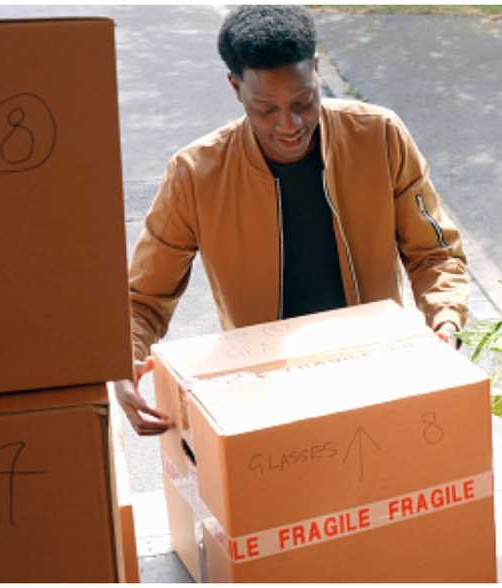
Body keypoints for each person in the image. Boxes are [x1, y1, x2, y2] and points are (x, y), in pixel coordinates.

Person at [114, 5, 468, 435]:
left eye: (304, 101)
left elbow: (434, 253)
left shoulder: (379, 136)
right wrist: (122, 362)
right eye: (266, 110)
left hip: (375, 374)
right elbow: (142, 299)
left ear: (316, 70)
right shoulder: (197, 173)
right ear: (235, 87)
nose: (290, 124)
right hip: (267, 397)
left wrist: (445, 321)